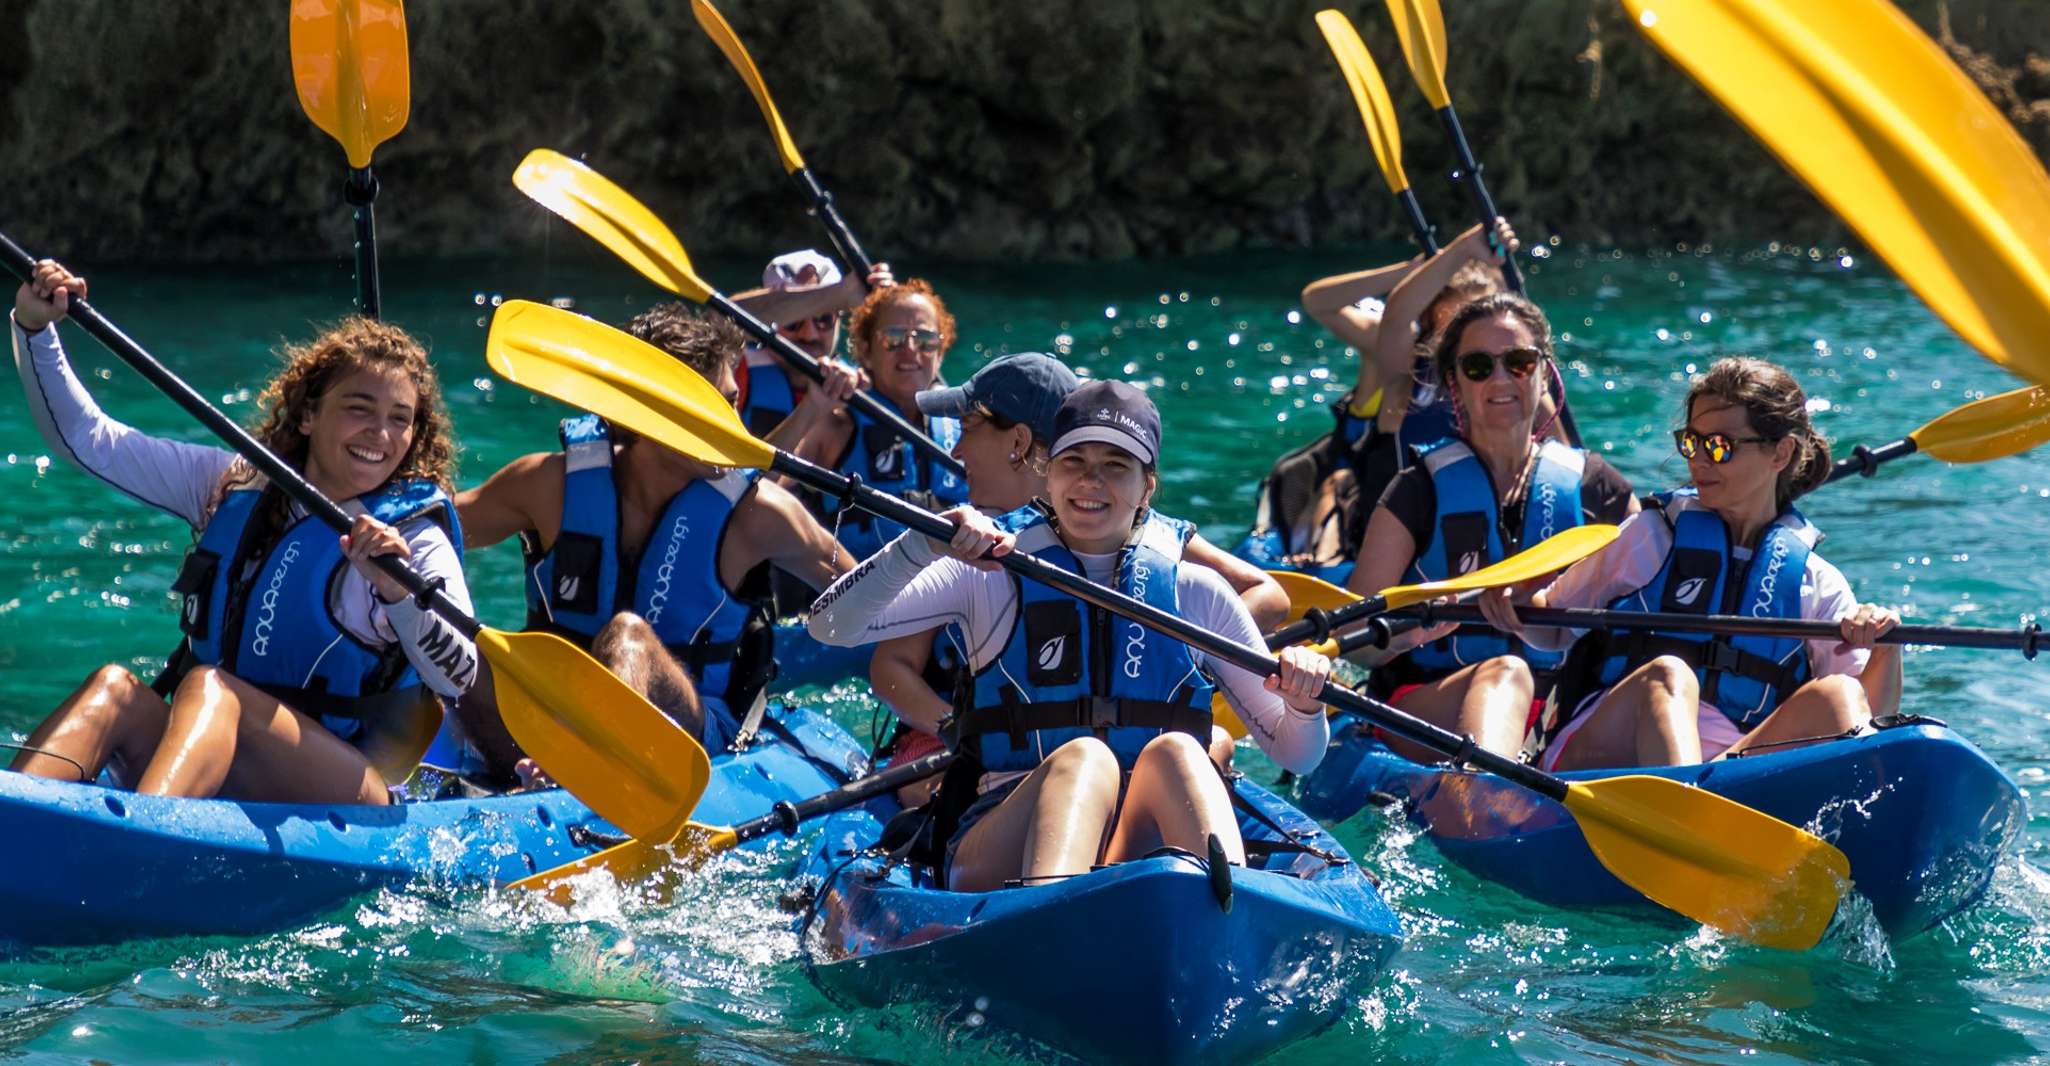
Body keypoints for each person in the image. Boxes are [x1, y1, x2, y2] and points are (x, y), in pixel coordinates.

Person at [809, 380, 1334, 891]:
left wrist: (1306, 705)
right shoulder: (988, 572)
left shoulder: (1198, 593)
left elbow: (1297, 755)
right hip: (1001, 842)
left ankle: (1226, 912)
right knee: (1085, 758)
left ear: (1147, 485)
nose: (1091, 481)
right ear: (1047, 471)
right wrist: (922, 543)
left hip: (1133, 842)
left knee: (1179, 751)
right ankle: (1053, 918)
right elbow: (829, 626)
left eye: (1115, 466)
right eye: (1074, 462)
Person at [6, 260, 475, 804]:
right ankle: (17, 819)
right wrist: (35, 329)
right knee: (114, 688)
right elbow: (90, 442)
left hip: (348, 786)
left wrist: (399, 591)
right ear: (307, 417)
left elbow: (461, 675)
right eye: (359, 408)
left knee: (210, 689)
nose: (381, 433)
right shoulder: (234, 485)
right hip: (222, 754)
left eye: (401, 418)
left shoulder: (413, 537)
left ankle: (148, 841)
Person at [453, 304, 850, 782]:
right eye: (707, 406)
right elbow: (431, 534)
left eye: (731, 401)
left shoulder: (761, 515)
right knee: (458, 648)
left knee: (629, 639)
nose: (731, 426)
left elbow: (875, 597)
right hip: (552, 707)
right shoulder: (548, 485)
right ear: (645, 410)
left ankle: (580, 767)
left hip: (690, 728)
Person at [868, 354, 1289, 805]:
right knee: (923, 791)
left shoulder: (1145, 535)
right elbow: (888, 666)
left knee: (1212, 741)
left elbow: (1270, 595)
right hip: (988, 745)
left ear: (1019, 441)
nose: (955, 449)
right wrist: (959, 728)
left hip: (1127, 751)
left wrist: (1179, 647)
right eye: (1074, 461)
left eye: (968, 427)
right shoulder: (967, 540)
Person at [1480, 357, 1901, 770]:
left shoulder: (1815, 582)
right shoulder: (1652, 535)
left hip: (1727, 771)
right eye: (1691, 442)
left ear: (1780, 453)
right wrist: (1516, 600)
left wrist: (1885, 645)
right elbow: (1553, 623)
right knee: (1668, 675)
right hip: (1605, 757)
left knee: (1839, 695)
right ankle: (1688, 810)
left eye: (1719, 447)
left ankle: (1704, 808)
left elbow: (1865, 723)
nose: (1697, 461)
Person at [1342, 293, 1638, 763]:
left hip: (1559, 711)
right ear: (1455, 385)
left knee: (1664, 676)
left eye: (1518, 362)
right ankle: (1491, 797)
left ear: (1544, 373)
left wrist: (1558, 597)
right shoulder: (1416, 490)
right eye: (1479, 366)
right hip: (1430, 704)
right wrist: (1414, 629)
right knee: (1506, 672)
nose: (1501, 378)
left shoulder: (1597, 488)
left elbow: (1647, 607)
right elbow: (1356, 641)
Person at [796, 279, 972, 562]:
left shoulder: (967, 426)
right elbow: (759, 487)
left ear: (940, 354)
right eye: (893, 338)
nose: (911, 350)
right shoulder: (839, 422)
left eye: (925, 340)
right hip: (867, 590)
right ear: (865, 351)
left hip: (956, 588)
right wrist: (812, 407)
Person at [730, 249, 888, 451]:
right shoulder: (735, 371)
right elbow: (720, 319)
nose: (809, 334)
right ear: (768, 320)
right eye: (793, 322)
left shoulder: (863, 381)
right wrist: (842, 293)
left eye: (824, 319)